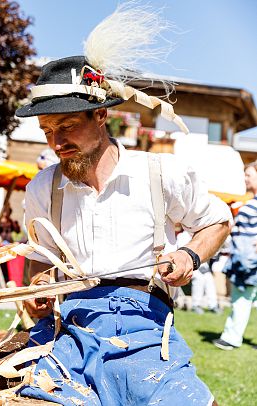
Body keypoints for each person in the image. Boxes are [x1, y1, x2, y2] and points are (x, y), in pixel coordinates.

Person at [16, 58, 231, 406]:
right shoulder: (42, 188)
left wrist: (188, 255)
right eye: (47, 131)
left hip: (143, 324)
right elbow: (41, 263)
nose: (56, 142)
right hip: (70, 329)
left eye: (67, 126)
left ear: (101, 115)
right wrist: (37, 289)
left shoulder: (160, 173)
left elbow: (217, 222)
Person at [213, 162, 257, 350]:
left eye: (249, 175)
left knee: (241, 300)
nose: (245, 179)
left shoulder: (252, 206)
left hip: (247, 263)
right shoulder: (250, 204)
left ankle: (231, 338)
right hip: (247, 261)